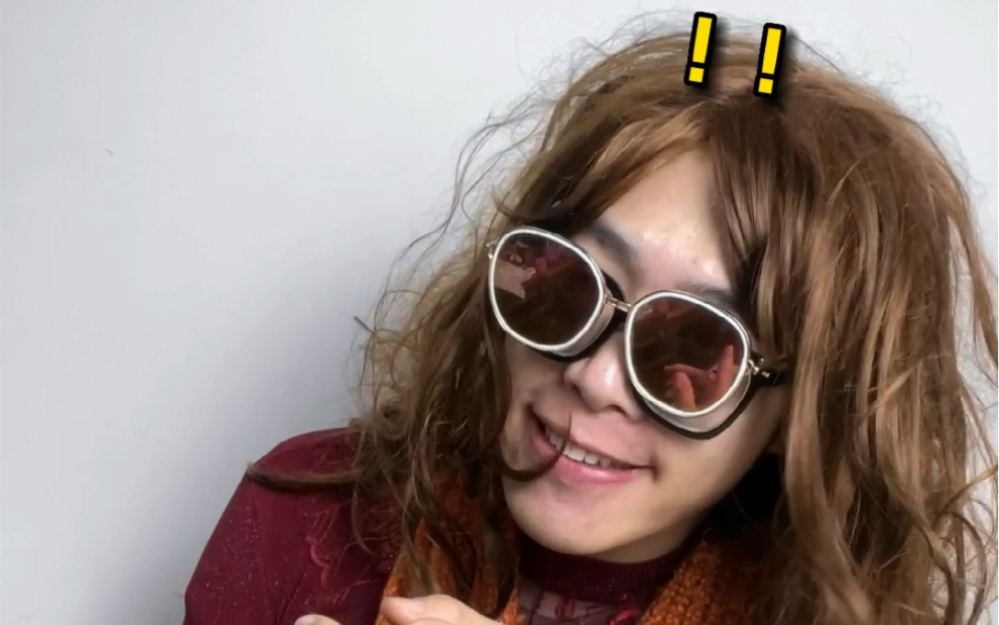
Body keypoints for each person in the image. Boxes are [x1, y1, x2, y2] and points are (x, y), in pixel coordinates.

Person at [181, 21, 998, 625]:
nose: (592, 374)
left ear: (798, 411)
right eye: (564, 287)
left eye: (692, 345)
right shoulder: (303, 515)